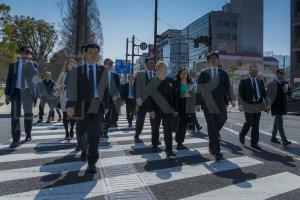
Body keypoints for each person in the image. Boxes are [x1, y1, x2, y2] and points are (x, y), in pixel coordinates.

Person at [66, 43, 109, 174]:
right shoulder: (77, 70)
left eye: (96, 53)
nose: (93, 55)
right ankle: (84, 150)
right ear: (84, 53)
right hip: (81, 106)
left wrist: (106, 106)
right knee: (80, 133)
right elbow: (72, 89)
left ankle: (92, 162)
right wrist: (70, 106)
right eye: (90, 52)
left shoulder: (103, 70)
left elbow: (106, 90)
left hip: (97, 107)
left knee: (95, 136)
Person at [196, 52, 235, 161]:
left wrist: (232, 100)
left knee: (223, 118)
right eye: (211, 59)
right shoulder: (203, 73)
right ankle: (217, 152)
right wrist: (197, 103)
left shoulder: (224, 73)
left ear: (218, 61)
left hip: (220, 103)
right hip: (207, 104)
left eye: (215, 58)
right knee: (212, 125)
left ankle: (212, 141)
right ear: (208, 61)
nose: (213, 60)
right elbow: (199, 89)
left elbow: (228, 87)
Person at [5, 46, 38, 148]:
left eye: (30, 52)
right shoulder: (13, 65)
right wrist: (7, 94)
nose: (29, 54)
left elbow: (34, 77)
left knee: (28, 115)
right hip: (16, 92)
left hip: (28, 92)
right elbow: (9, 79)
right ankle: (15, 140)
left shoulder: (34, 64)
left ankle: (28, 133)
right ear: (21, 52)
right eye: (27, 52)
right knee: (15, 116)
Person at [148, 61, 177, 157]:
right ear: (156, 70)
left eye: (163, 68)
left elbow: (174, 96)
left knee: (168, 130)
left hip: (168, 109)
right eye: (160, 68)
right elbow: (148, 97)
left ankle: (169, 150)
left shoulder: (170, 81)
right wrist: (150, 110)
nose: (162, 70)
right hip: (155, 109)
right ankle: (154, 145)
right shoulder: (152, 81)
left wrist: (175, 109)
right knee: (155, 128)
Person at [238, 64, 269, 150]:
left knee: (256, 125)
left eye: (256, 71)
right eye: (253, 71)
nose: (255, 72)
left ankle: (254, 143)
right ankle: (242, 134)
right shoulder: (244, 81)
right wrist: (240, 105)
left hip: (257, 105)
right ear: (249, 71)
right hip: (248, 105)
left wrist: (267, 104)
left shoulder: (260, 81)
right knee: (249, 122)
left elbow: (264, 94)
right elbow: (240, 94)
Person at [267, 69, 292, 147]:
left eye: (283, 74)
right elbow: (269, 95)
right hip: (275, 106)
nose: (282, 75)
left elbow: (288, 93)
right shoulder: (271, 83)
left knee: (276, 123)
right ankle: (284, 141)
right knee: (280, 123)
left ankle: (273, 137)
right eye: (281, 73)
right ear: (277, 74)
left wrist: (288, 89)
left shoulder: (285, 83)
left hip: (282, 106)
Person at [134, 57, 156, 141]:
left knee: (154, 120)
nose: (151, 65)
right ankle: (137, 134)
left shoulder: (156, 74)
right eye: (150, 63)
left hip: (154, 101)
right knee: (140, 119)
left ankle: (155, 138)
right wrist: (137, 97)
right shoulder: (140, 74)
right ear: (146, 64)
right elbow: (136, 87)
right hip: (143, 100)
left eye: (153, 63)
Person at [174, 68, 196, 150]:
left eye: (185, 74)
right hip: (178, 106)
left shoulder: (190, 83)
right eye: (182, 74)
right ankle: (178, 141)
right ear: (179, 75)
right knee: (178, 125)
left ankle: (180, 142)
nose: (184, 75)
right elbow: (174, 95)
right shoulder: (176, 83)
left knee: (183, 125)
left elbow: (193, 95)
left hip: (187, 107)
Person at [56, 58, 77, 140]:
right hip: (64, 97)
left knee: (72, 116)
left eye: (73, 64)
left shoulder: (77, 75)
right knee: (65, 115)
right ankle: (66, 132)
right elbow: (56, 85)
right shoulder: (62, 74)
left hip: (73, 97)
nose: (71, 66)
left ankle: (71, 128)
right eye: (70, 64)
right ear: (67, 65)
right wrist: (61, 86)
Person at [104, 58, 121, 130]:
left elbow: (118, 87)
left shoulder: (115, 75)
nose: (110, 65)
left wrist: (116, 95)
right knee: (100, 113)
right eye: (109, 64)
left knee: (109, 112)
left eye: (111, 64)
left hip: (112, 97)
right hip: (102, 97)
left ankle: (106, 129)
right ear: (104, 64)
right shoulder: (99, 73)